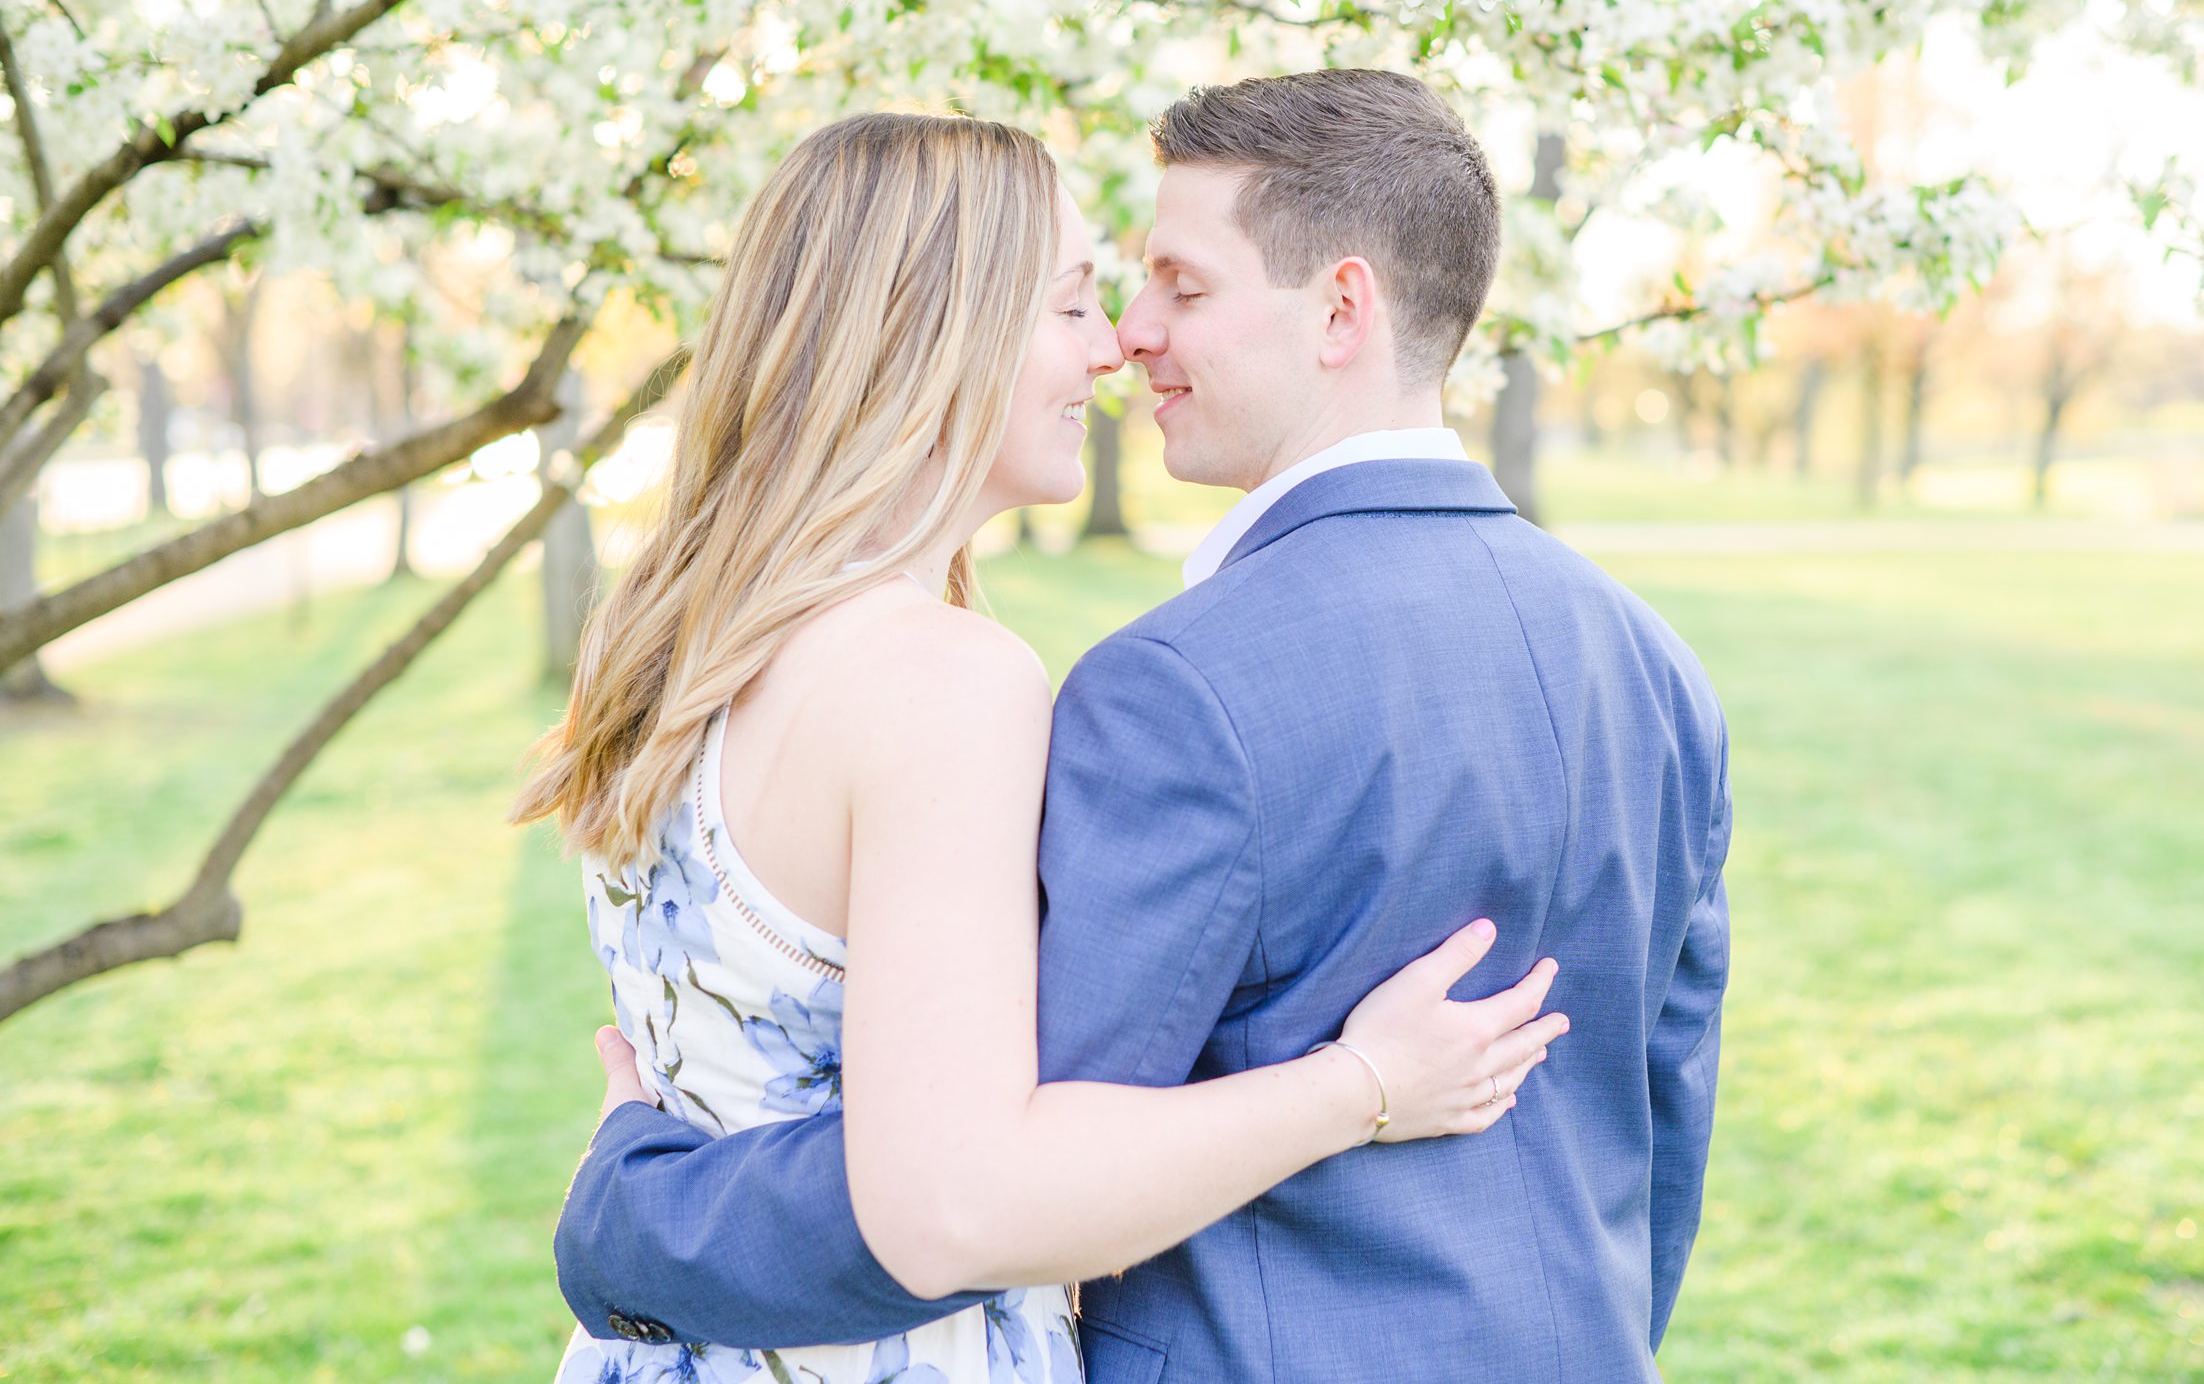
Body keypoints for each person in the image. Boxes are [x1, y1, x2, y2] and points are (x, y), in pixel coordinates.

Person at [553, 72, 1732, 1382]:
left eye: (1181, 284)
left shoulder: (683, 642)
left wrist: (636, 1214)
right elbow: (1661, 1118)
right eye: (1087, 298)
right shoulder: (1661, 667)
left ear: (1341, 306)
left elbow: (974, 1184)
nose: (1124, 336)